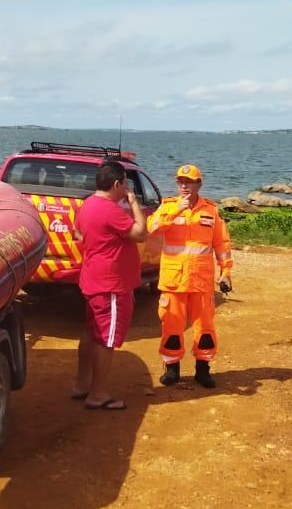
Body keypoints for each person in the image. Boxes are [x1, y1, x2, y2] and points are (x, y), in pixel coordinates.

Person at [147, 163, 233, 389]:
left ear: (198, 184)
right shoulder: (168, 207)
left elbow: (222, 244)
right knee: (172, 328)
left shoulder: (211, 211)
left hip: (201, 282)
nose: (184, 186)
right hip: (173, 282)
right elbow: (152, 228)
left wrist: (226, 272)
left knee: (205, 329)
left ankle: (203, 370)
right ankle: (172, 369)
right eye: (180, 182)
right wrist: (177, 210)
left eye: (189, 182)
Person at [72, 160, 148, 410]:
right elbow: (140, 233)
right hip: (111, 286)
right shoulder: (109, 209)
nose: (126, 188)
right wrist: (135, 205)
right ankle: (98, 393)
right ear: (117, 184)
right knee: (106, 339)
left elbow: (78, 235)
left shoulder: (87, 205)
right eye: (125, 183)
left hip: (93, 280)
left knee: (91, 333)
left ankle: (82, 384)